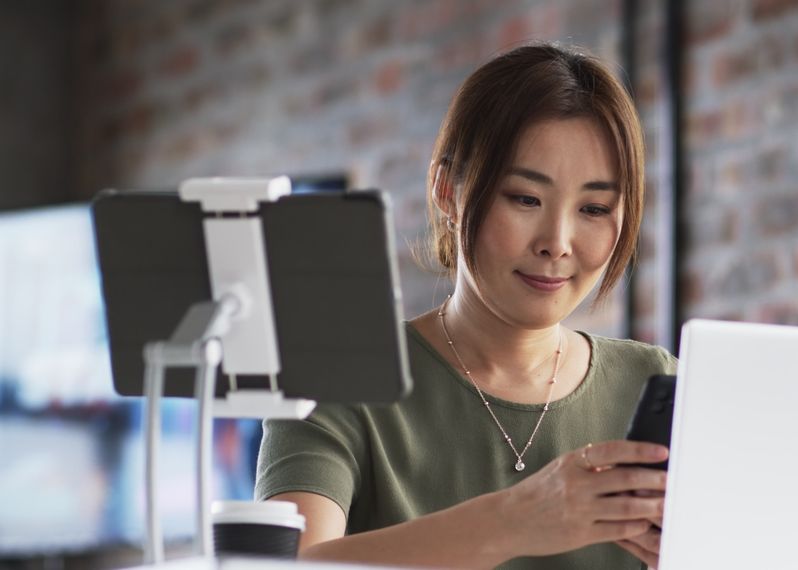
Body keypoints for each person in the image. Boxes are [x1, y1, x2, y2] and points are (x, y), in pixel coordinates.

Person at [255, 43, 677, 569]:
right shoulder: (340, 381)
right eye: (525, 198)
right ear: (448, 190)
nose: (557, 242)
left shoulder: (659, 385)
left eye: (594, 208)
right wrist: (516, 521)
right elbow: (286, 567)